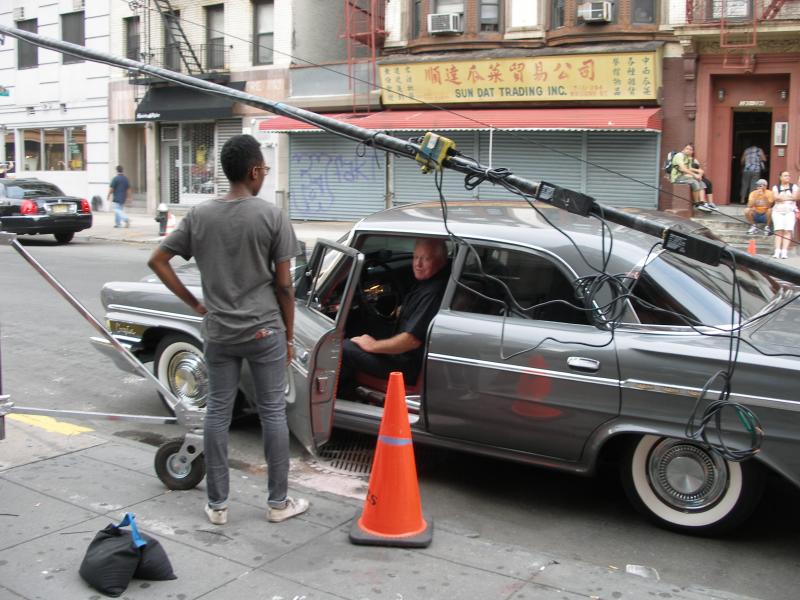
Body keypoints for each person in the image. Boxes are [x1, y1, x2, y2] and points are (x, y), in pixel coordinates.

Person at [147, 134, 308, 525]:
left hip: (219, 332)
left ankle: (217, 505)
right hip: (264, 331)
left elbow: (158, 260)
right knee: (272, 413)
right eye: (264, 169)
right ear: (253, 171)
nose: (264, 175)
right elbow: (284, 286)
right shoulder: (272, 216)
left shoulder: (200, 216)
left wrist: (195, 305)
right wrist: (288, 336)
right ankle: (278, 503)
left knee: (217, 413)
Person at [340, 238, 449, 395]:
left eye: (426, 259)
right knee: (362, 329)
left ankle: (343, 398)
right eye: (416, 257)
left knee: (343, 348)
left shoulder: (433, 293)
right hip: (405, 357)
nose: (418, 264)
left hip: (405, 366)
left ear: (441, 261)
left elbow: (411, 341)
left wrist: (372, 346)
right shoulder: (429, 282)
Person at [670, 143, 712, 212]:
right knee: (694, 182)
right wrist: (695, 175)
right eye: (687, 149)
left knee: (700, 181)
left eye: (690, 149)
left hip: (683, 176)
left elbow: (689, 168)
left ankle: (702, 203)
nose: (688, 150)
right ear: (683, 149)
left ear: (692, 151)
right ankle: (697, 204)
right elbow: (683, 168)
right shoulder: (679, 156)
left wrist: (698, 171)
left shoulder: (688, 158)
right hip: (677, 177)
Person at [771, 171, 799, 259]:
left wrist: (782, 198)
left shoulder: (794, 186)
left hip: (790, 211)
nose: (788, 177)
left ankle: (784, 251)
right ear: (780, 177)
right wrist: (790, 197)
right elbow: (775, 198)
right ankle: (777, 251)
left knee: (787, 231)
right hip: (777, 212)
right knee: (778, 231)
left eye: (789, 175)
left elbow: (796, 197)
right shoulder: (776, 187)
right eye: (785, 175)